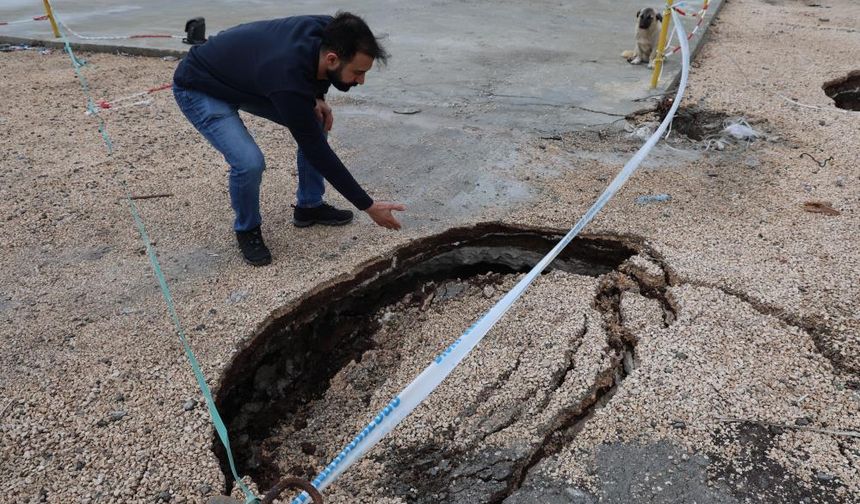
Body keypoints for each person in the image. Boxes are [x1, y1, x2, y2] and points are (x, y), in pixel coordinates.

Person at [173, 12, 405, 266]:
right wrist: (368, 205)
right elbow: (316, 149)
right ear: (332, 58)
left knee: (316, 120)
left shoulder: (331, 31)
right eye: (358, 72)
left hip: (246, 77)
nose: (361, 81)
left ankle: (309, 206)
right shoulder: (287, 77)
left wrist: (318, 97)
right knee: (249, 161)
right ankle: (247, 229)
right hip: (199, 86)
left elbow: (316, 75)